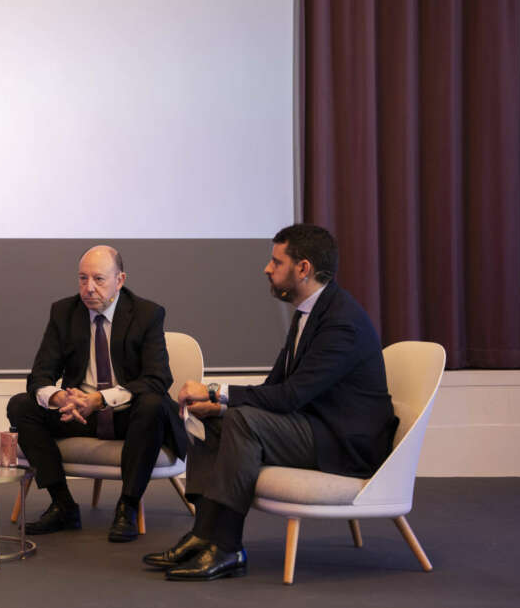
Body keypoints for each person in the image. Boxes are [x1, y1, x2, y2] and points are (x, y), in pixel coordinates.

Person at [142, 223, 398, 580]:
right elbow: (276, 386)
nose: (267, 268)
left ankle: (227, 548)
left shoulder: (342, 323)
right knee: (214, 419)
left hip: (343, 443)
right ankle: (203, 533)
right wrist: (217, 405)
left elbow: (292, 396)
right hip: (312, 424)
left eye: (276, 261)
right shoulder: (310, 312)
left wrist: (216, 392)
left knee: (242, 419)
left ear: (303, 268)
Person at [7, 245, 187, 542]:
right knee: (21, 406)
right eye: (82, 278)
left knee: (153, 405)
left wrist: (101, 400)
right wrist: (58, 397)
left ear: (120, 279)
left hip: (126, 415)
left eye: (99, 279)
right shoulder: (64, 312)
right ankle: (62, 503)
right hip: (79, 413)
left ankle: (127, 506)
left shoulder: (147, 314)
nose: (88, 288)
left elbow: (157, 379)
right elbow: (40, 375)